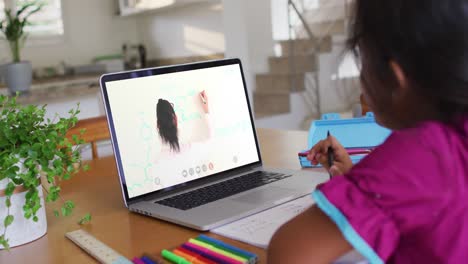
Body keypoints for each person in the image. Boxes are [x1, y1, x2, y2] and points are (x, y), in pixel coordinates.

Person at [268, 0, 468, 263]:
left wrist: (365, 187)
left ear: (395, 79)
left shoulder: (421, 153)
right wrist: (357, 182)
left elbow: (288, 255)